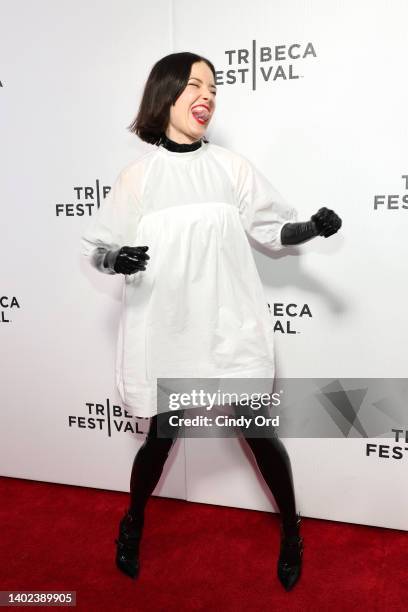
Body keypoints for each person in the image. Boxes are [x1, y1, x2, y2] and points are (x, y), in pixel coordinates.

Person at [80, 52, 342, 592]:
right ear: (166, 95)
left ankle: (292, 530)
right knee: (161, 434)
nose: (208, 96)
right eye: (196, 85)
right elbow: (100, 248)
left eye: (215, 88)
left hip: (230, 325)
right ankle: (133, 523)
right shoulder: (139, 179)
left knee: (258, 432)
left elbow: (274, 231)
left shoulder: (231, 168)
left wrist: (311, 228)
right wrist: (116, 259)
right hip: (169, 328)